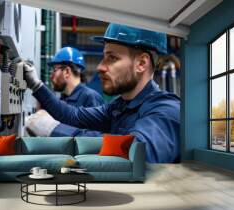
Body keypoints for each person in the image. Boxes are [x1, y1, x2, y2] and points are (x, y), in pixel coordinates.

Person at [23, 23, 180, 163]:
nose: (100, 67)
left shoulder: (166, 110)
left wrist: (54, 129)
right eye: (104, 58)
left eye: (112, 58)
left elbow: (138, 152)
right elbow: (73, 116)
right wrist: (36, 85)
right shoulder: (119, 107)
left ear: (141, 63)